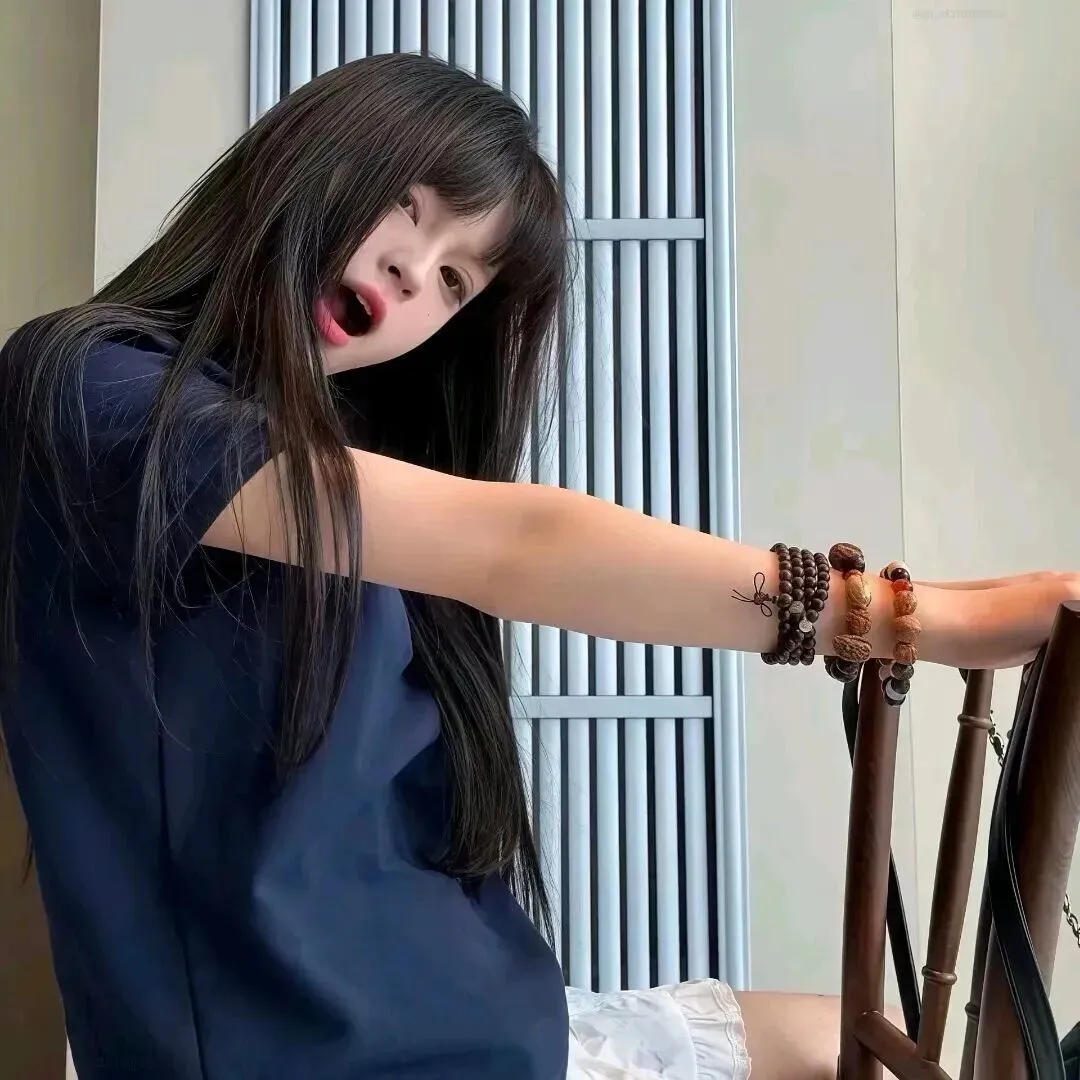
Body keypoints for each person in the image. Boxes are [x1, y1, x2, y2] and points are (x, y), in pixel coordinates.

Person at [0, 52, 1073, 1080]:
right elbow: (516, 545)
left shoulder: (334, 468)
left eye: (454, 279)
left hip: (481, 1025)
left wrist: (973, 604)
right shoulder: (88, 388)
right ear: (300, 161)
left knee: (863, 1036)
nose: (410, 271)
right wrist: (911, 618)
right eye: (402, 207)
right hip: (334, 1060)